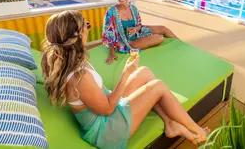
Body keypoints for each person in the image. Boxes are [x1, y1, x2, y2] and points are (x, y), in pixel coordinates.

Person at [41, 11, 208, 149]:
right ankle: (199, 132)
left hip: (106, 110)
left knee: (144, 73)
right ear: (76, 36)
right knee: (158, 86)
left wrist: (130, 72)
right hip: (107, 130)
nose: (88, 28)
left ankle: (170, 123)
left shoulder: (69, 58)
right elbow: (106, 109)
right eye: (87, 25)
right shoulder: (79, 77)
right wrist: (126, 73)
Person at [102, 0, 178, 64]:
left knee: (163, 29)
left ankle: (181, 44)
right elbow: (108, 36)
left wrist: (135, 29)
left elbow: (139, 25)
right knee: (160, 38)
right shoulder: (111, 12)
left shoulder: (133, 9)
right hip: (128, 42)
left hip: (139, 33)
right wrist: (112, 54)